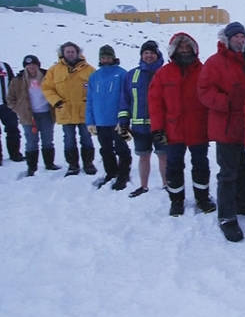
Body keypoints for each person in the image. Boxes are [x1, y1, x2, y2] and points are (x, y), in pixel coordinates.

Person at [198, 21, 245, 242]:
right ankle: (226, 216)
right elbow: (204, 91)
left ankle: (243, 202)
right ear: (227, 39)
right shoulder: (214, 62)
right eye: (236, 36)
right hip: (226, 126)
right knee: (228, 172)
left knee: (244, 167)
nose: (240, 40)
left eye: (242, 36)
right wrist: (226, 101)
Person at [149, 33, 216, 216]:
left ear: (194, 49)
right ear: (174, 50)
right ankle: (176, 200)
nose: (184, 50)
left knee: (201, 165)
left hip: (198, 128)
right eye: (180, 47)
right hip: (173, 130)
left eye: (187, 47)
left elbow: (212, 98)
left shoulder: (204, 71)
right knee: (174, 166)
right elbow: (155, 103)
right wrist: (157, 128)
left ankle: (203, 198)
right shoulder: (163, 73)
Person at [118, 40, 168, 198]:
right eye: (146, 53)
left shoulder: (165, 72)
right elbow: (125, 100)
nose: (149, 56)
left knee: (163, 156)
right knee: (143, 156)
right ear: (141, 55)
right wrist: (124, 122)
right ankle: (143, 186)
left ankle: (166, 185)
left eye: (152, 53)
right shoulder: (132, 75)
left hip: (162, 126)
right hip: (139, 127)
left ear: (157, 55)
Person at [41, 41, 98, 176]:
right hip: (65, 111)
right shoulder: (54, 70)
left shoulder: (89, 70)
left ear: (78, 53)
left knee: (86, 138)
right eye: (68, 52)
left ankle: (88, 163)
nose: (70, 54)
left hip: (84, 111)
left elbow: (97, 89)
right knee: (69, 139)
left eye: (73, 51)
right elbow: (47, 88)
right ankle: (73, 165)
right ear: (63, 53)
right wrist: (56, 101)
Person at [86, 45, 132, 190]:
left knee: (121, 148)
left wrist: (124, 119)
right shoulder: (94, 76)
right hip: (100, 121)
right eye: (103, 57)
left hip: (117, 120)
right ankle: (111, 172)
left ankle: (124, 174)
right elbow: (90, 99)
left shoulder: (122, 74)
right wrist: (90, 121)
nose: (105, 60)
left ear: (113, 57)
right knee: (105, 149)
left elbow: (127, 98)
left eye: (108, 57)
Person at [7, 54, 61, 176]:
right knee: (31, 142)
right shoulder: (18, 80)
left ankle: (49, 164)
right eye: (28, 65)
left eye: (33, 65)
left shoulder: (48, 76)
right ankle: (32, 167)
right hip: (28, 116)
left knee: (48, 140)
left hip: (46, 113)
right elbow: (10, 99)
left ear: (38, 65)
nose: (31, 67)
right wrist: (19, 110)